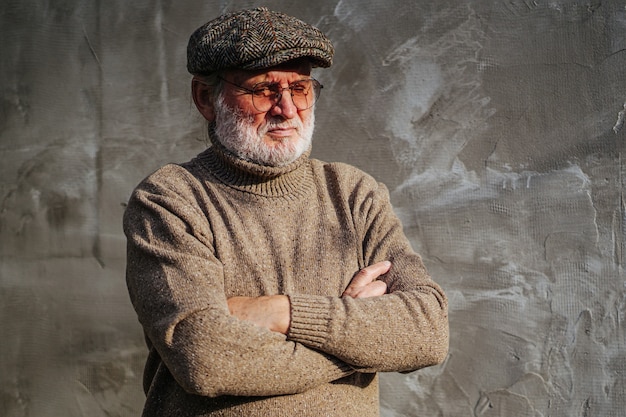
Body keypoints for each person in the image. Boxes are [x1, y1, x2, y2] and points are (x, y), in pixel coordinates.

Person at [124, 7, 449, 417]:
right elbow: (205, 358)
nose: (287, 109)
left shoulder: (355, 193)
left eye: (300, 87)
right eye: (264, 90)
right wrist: (361, 344)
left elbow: (428, 331)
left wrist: (282, 312)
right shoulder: (170, 199)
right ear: (206, 98)